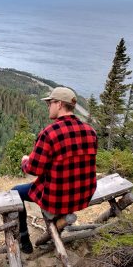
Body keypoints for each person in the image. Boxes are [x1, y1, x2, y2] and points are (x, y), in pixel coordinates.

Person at [12, 86, 98, 253]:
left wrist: (25, 161)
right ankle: (58, 224)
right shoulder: (90, 131)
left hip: (57, 198)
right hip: (83, 196)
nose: (48, 107)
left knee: (15, 192)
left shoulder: (49, 133)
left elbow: (34, 169)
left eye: (49, 103)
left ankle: (24, 239)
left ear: (59, 104)